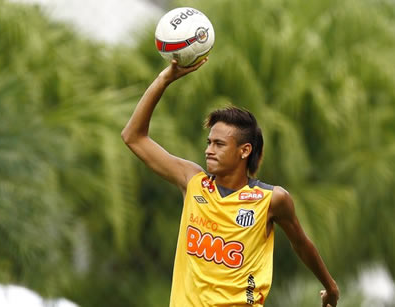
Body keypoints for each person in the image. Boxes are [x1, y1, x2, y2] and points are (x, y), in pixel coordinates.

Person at [121, 58, 340, 307]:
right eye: (209, 143)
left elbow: (301, 244)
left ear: (244, 150)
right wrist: (164, 79)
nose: (209, 150)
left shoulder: (272, 199)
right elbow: (133, 136)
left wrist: (331, 288)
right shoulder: (193, 181)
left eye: (219, 144)